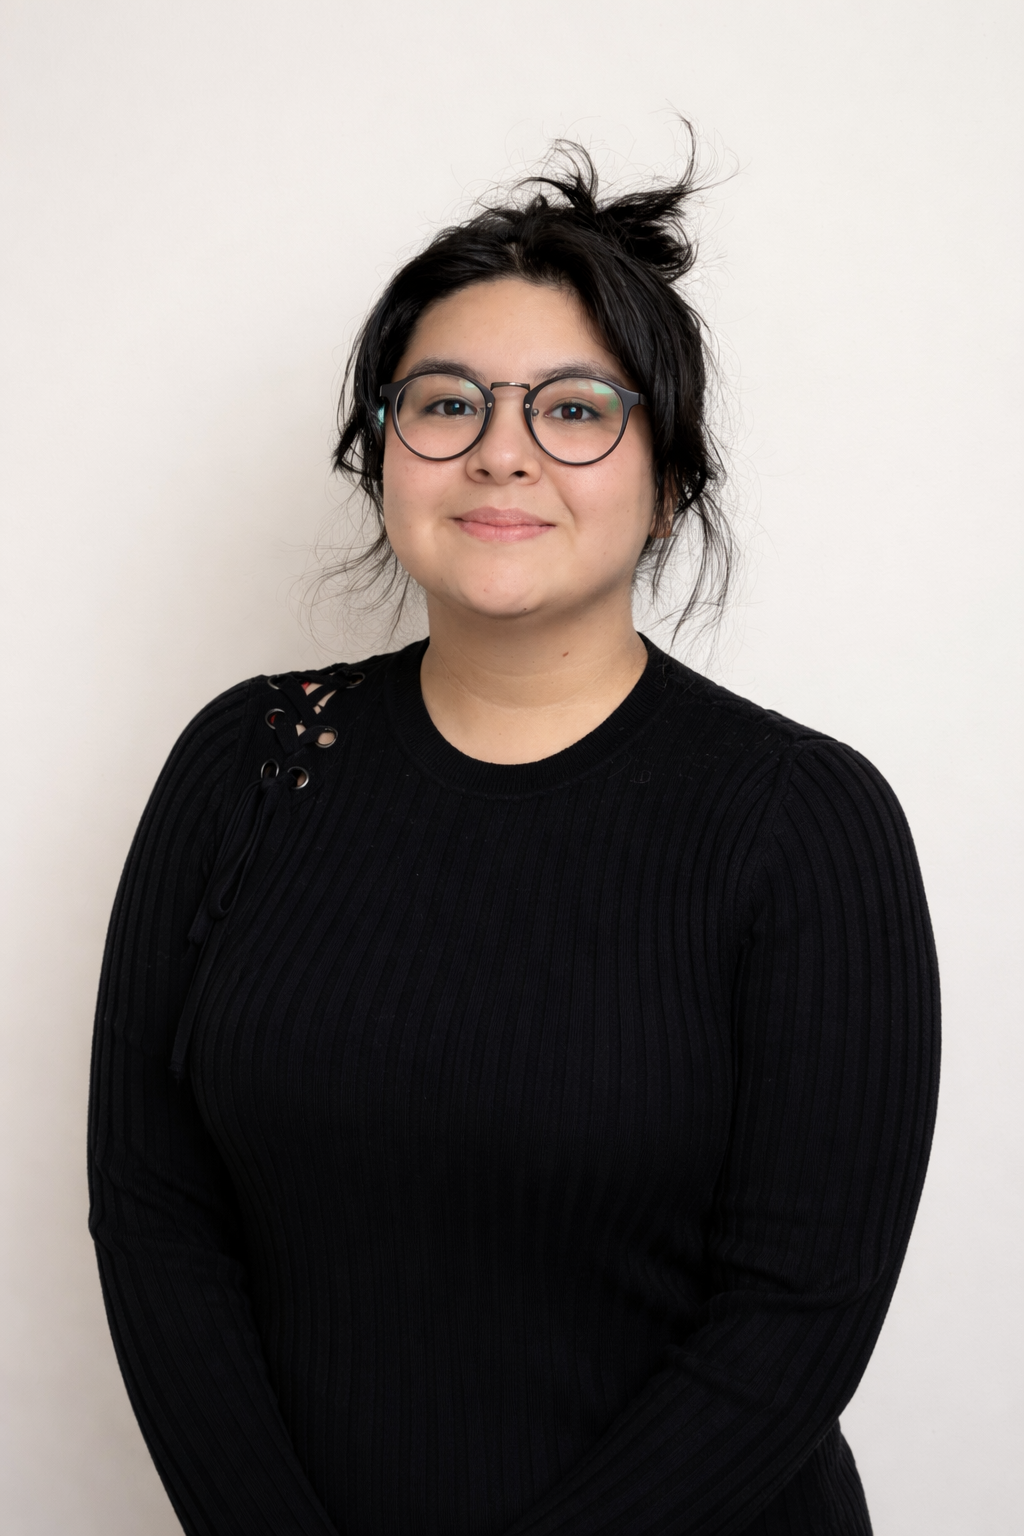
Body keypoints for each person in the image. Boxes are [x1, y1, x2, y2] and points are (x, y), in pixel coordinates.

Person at [88, 144, 940, 1536]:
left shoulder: (802, 821)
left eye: (576, 410)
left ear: (667, 478)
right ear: (381, 457)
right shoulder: (244, 766)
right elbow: (153, 1213)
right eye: (446, 403)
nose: (502, 447)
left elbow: (796, 1315)